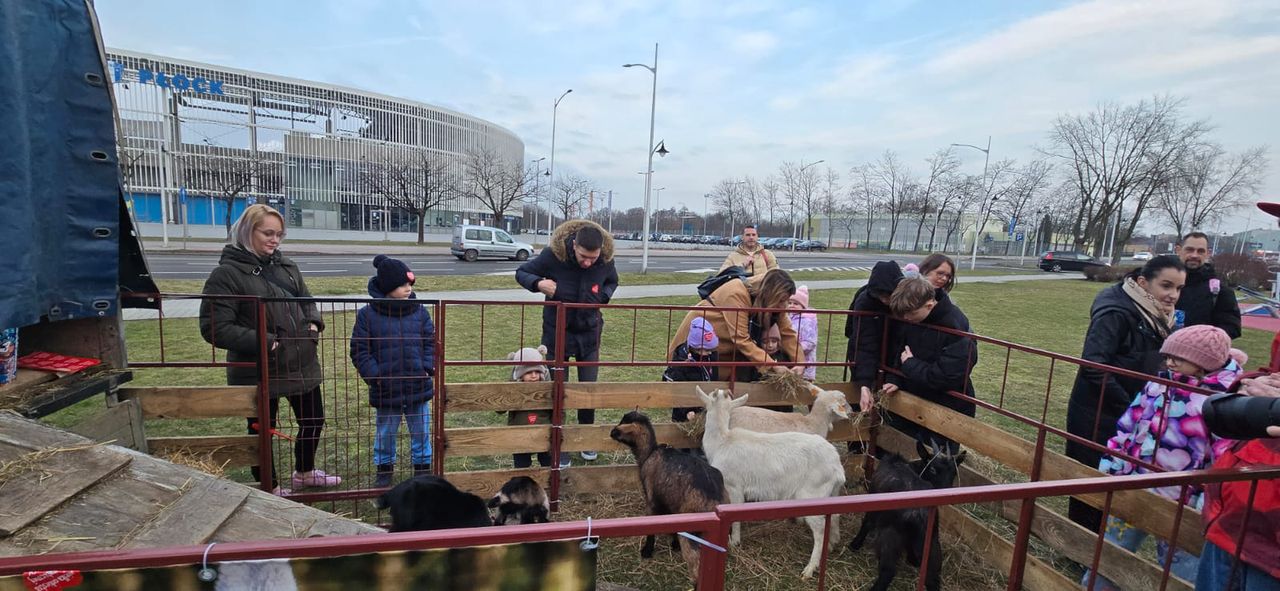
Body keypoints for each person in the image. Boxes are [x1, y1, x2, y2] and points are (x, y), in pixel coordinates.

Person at [1085, 325, 1242, 589]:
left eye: (1178, 358)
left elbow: (1225, 452)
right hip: (1138, 484)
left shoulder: (1221, 400)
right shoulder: (1160, 384)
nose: (1169, 362)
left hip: (1184, 498)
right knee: (1111, 548)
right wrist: (1114, 459)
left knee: (1182, 567)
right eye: (1168, 356)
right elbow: (1131, 422)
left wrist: (1209, 495)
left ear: (1203, 362)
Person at [199, 204, 341, 495]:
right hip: (260, 368)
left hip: (301, 362)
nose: (274, 240)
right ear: (247, 231)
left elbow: (306, 300)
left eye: (279, 234)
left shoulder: (287, 267)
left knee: (313, 420)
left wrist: (313, 324)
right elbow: (215, 327)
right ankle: (269, 486)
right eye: (268, 233)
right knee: (261, 430)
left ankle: (304, 473)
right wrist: (266, 342)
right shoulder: (226, 275)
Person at [1065, 255, 1185, 531]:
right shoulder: (1116, 312)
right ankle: (1082, 545)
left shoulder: (1156, 315)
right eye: (1166, 286)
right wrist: (1134, 405)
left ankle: (1104, 543)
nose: (1172, 295)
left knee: (1118, 479)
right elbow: (1094, 365)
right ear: (1143, 282)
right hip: (1098, 413)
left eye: (1178, 289)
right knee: (1090, 479)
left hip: (1130, 412)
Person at [515, 220, 618, 462]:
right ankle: (559, 444)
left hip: (589, 335)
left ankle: (585, 439)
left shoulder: (605, 260)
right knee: (558, 390)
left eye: (592, 258)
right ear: (574, 246)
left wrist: (602, 297)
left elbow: (612, 281)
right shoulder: (553, 256)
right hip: (557, 333)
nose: (587, 262)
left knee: (587, 390)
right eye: (583, 256)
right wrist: (538, 283)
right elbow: (522, 272)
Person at [350, 255, 435, 488]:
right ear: (388, 288)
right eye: (403, 285)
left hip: (417, 384)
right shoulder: (368, 315)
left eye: (411, 284)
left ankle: (422, 467)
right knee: (386, 431)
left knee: (421, 430)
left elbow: (431, 342)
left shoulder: (419, 312)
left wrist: (427, 368)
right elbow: (360, 349)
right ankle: (384, 468)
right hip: (386, 388)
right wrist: (375, 376)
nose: (409, 289)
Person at [881, 277, 977, 452]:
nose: (906, 318)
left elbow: (948, 376)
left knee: (934, 462)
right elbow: (901, 351)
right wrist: (895, 378)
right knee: (904, 451)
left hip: (945, 408)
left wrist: (910, 366)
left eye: (911, 313)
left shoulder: (955, 326)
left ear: (929, 305)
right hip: (914, 401)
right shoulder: (916, 320)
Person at [670, 269, 801, 383]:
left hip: (724, 349)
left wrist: (801, 363)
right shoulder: (736, 294)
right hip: (701, 340)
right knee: (695, 382)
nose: (784, 306)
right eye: (781, 301)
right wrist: (773, 365)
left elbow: (787, 332)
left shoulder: (772, 301)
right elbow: (741, 338)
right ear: (770, 295)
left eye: (787, 300)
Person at [845, 261, 905, 412]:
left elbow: (904, 340)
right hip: (865, 354)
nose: (885, 300)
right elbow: (864, 342)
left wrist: (895, 374)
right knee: (861, 397)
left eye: (888, 295)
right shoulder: (865, 301)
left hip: (893, 357)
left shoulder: (905, 302)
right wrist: (864, 383)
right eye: (881, 295)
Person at [506, 345, 569, 469]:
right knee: (521, 466)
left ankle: (548, 484)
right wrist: (512, 384)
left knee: (548, 464)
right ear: (519, 374)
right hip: (520, 436)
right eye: (528, 372)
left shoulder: (548, 390)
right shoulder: (514, 391)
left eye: (537, 372)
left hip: (544, 435)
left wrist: (557, 429)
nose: (534, 376)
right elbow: (499, 409)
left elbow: (559, 410)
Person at [1174, 231, 1242, 338]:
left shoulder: (1220, 291)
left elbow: (1232, 328)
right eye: (1189, 250)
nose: (1194, 255)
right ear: (1178, 250)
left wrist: (1201, 338)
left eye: (1200, 251)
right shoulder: (1163, 283)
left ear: (1208, 253)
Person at [664, 317, 719, 424]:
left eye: (710, 349)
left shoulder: (711, 357)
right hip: (687, 412)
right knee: (682, 433)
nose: (709, 352)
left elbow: (714, 378)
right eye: (706, 350)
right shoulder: (682, 362)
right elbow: (678, 390)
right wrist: (687, 411)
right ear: (695, 347)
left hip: (705, 407)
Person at [787, 285, 819, 382]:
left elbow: (811, 342)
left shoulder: (808, 320)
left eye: (795, 303)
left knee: (804, 388)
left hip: (806, 362)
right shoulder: (788, 317)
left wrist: (795, 347)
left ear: (803, 306)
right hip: (792, 359)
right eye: (789, 302)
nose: (791, 305)